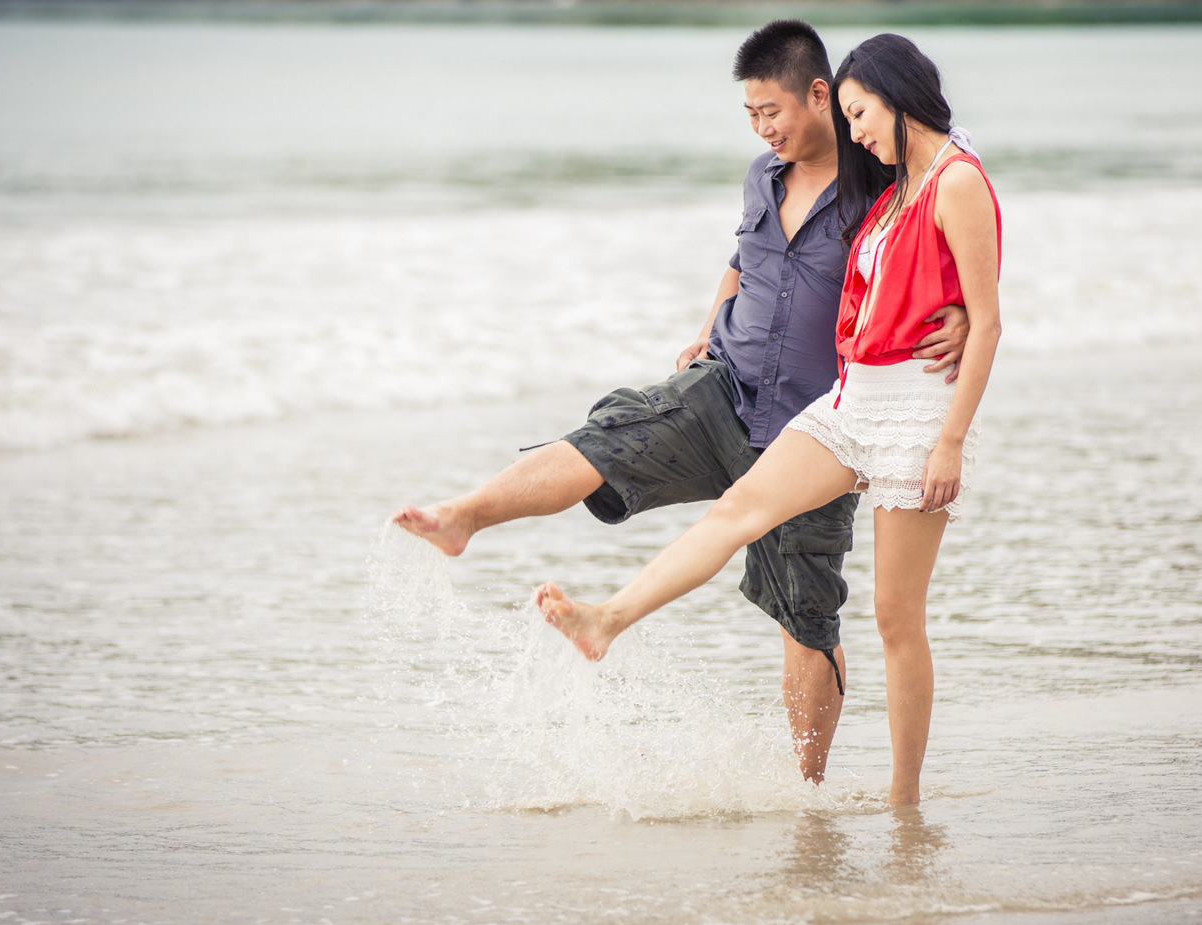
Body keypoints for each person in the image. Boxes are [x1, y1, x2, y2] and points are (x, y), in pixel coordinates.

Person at [391, 21, 968, 785]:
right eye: (751, 116)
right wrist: (704, 330)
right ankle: (464, 516)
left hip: (817, 426)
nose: (764, 128)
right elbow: (744, 261)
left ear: (822, 95)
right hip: (722, 387)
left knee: (807, 614)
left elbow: (951, 222)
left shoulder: (882, 177)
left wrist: (958, 313)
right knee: (611, 437)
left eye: (773, 111)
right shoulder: (762, 177)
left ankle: (806, 792)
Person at [535, 33, 1002, 807]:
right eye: (848, 116)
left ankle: (903, 800)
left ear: (895, 98)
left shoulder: (955, 181)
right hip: (853, 400)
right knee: (739, 508)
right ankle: (607, 620)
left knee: (895, 619)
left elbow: (985, 323)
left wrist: (950, 439)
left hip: (919, 417)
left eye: (861, 115)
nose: (854, 134)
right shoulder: (897, 184)